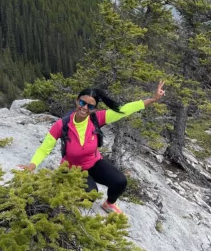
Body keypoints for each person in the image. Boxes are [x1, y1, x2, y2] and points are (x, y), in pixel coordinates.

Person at [18, 81, 165, 214]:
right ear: (77, 101)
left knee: (120, 181)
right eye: (82, 102)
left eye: (90, 105)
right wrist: (31, 166)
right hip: (72, 169)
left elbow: (124, 110)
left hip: (93, 162)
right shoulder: (62, 125)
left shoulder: (97, 119)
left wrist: (152, 100)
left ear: (95, 108)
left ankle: (109, 204)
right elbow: (44, 148)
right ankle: (66, 185)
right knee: (90, 195)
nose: (85, 108)